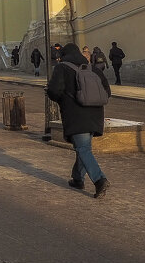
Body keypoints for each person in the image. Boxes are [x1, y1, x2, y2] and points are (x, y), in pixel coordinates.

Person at [47, 42, 112, 198]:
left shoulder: (62, 68)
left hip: (76, 114)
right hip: (95, 114)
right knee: (83, 147)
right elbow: (107, 92)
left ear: (63, 55)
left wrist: (64, 99)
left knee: (83, 149)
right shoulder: (93, 69)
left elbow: (54, 91)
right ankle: (77, 179)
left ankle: (99, 179)